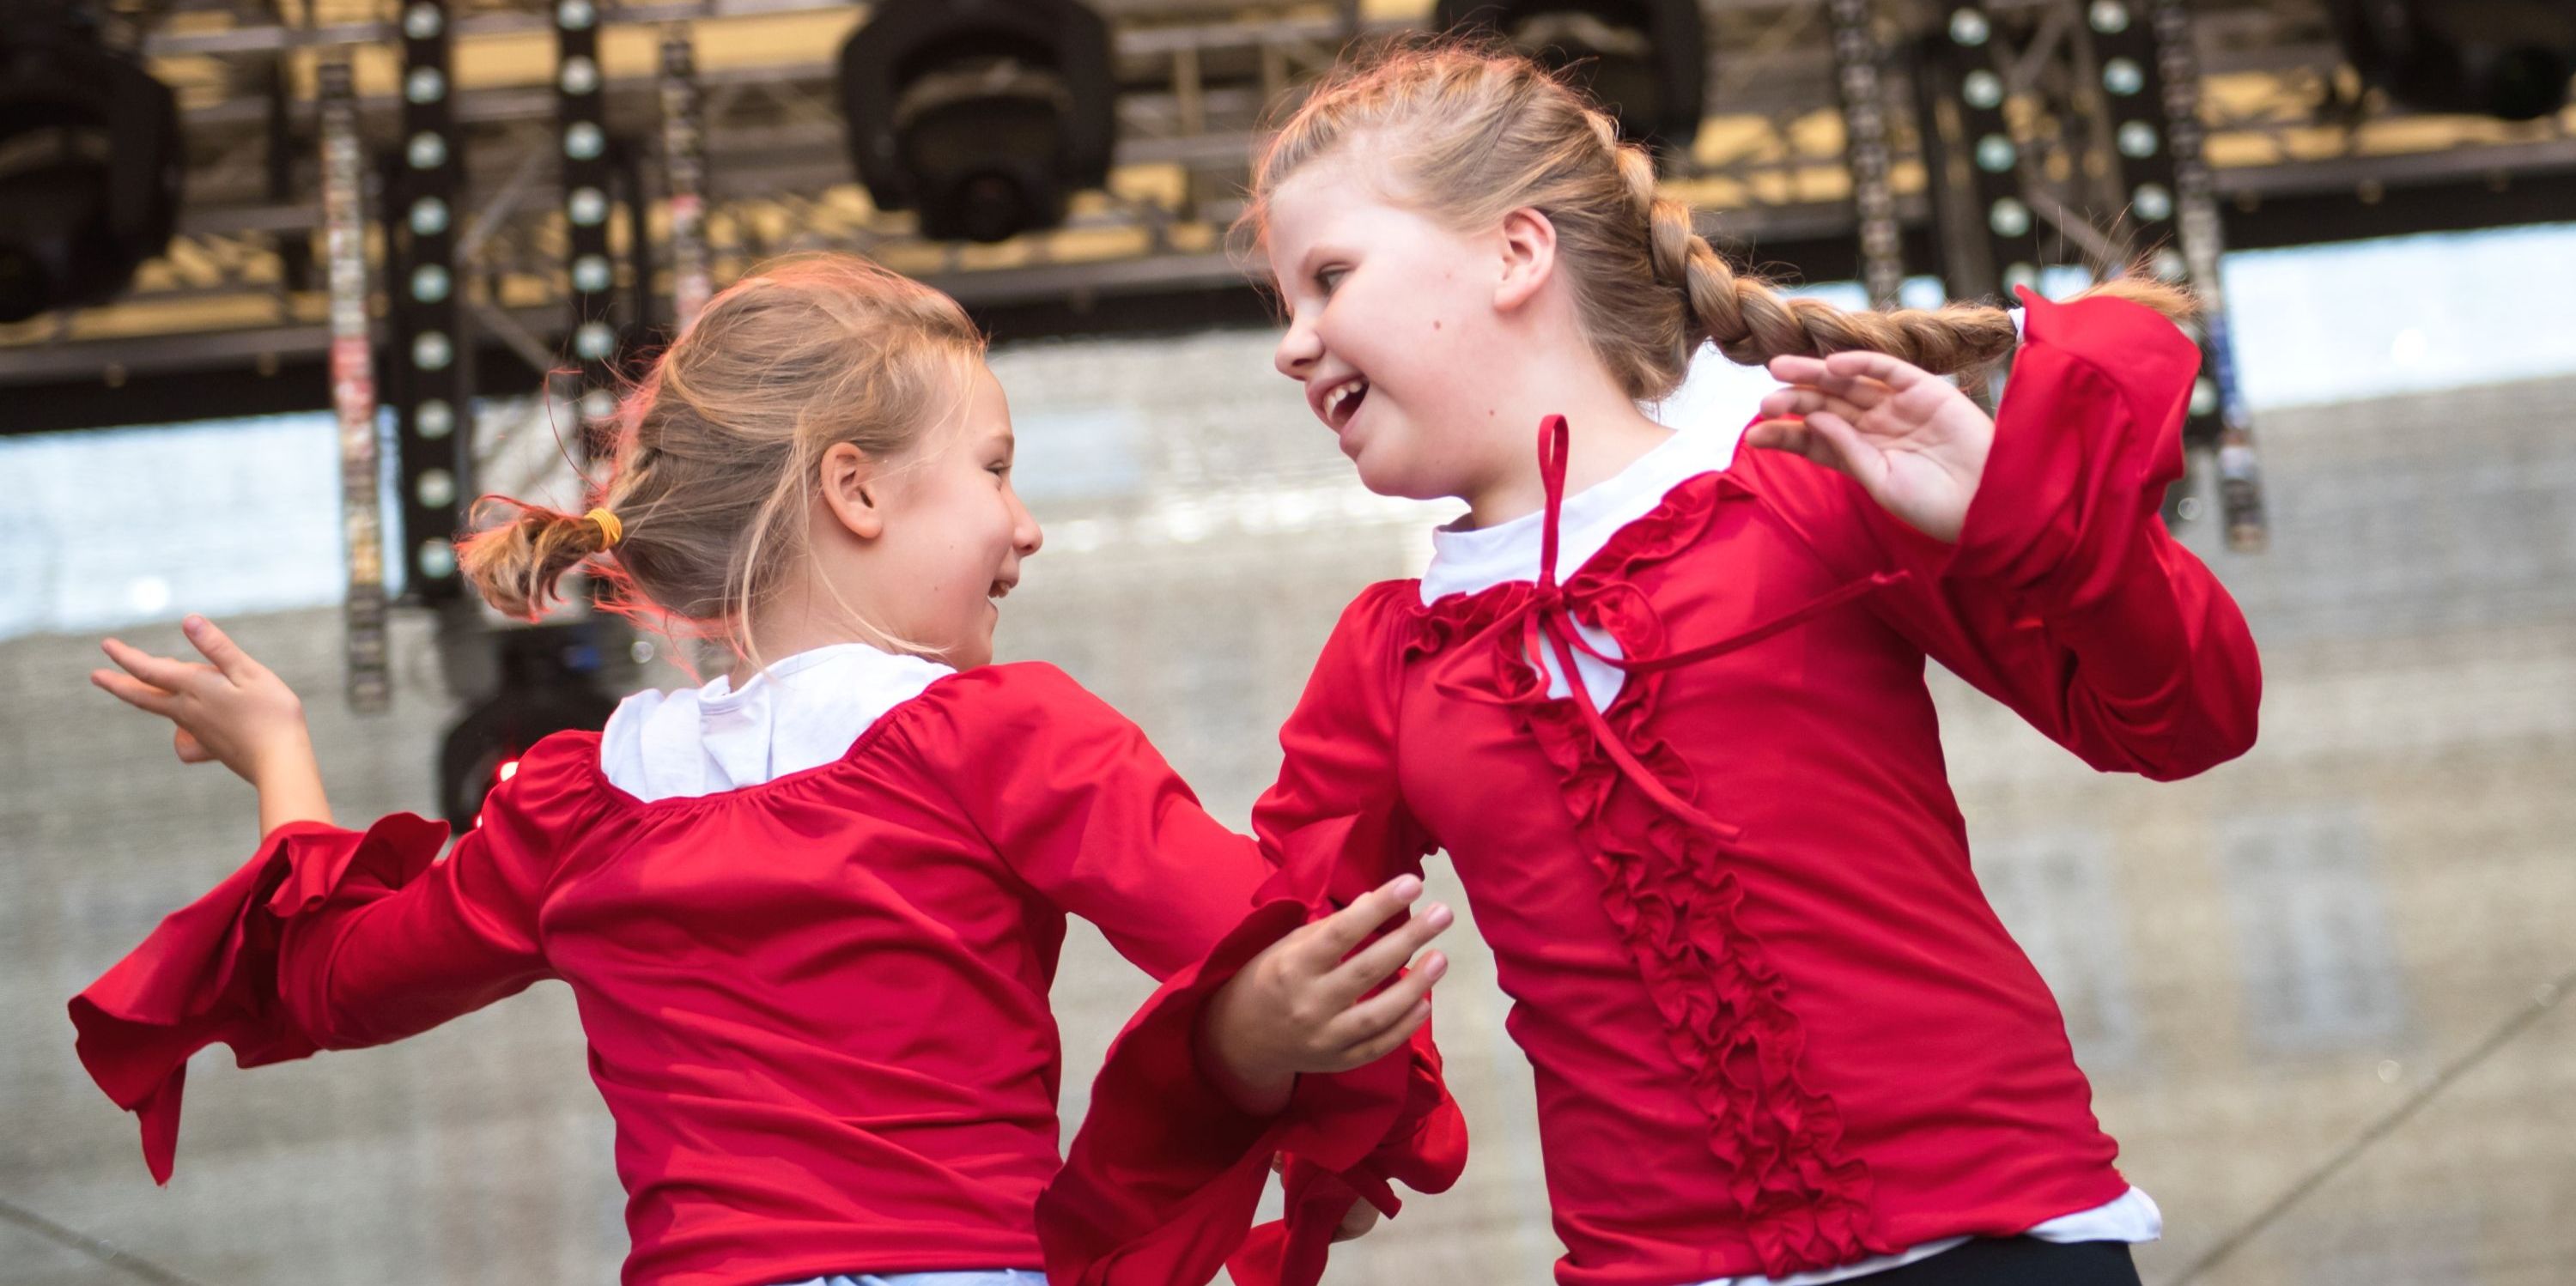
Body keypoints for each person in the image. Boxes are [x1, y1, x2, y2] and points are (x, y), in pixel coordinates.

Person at [1043, 39, 2260, 1286]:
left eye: (1329, 278)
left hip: (1997, 1243)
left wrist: (2019, 513)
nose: (1293, 346)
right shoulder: (1389, 661)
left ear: (1518, 252)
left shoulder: (1808, 490)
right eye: (1286, 306)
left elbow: (2185, 717)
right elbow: (1295, 947)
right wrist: (1249, 1036)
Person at [70, 255, 1458, 1286]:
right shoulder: (1004, 735)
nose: (1025, 529)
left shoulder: (579, 802)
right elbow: (1279, 947)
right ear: (854, 490)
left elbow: (326, 980)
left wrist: (279, 758)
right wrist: (1320, 1092)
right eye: (994, 469)